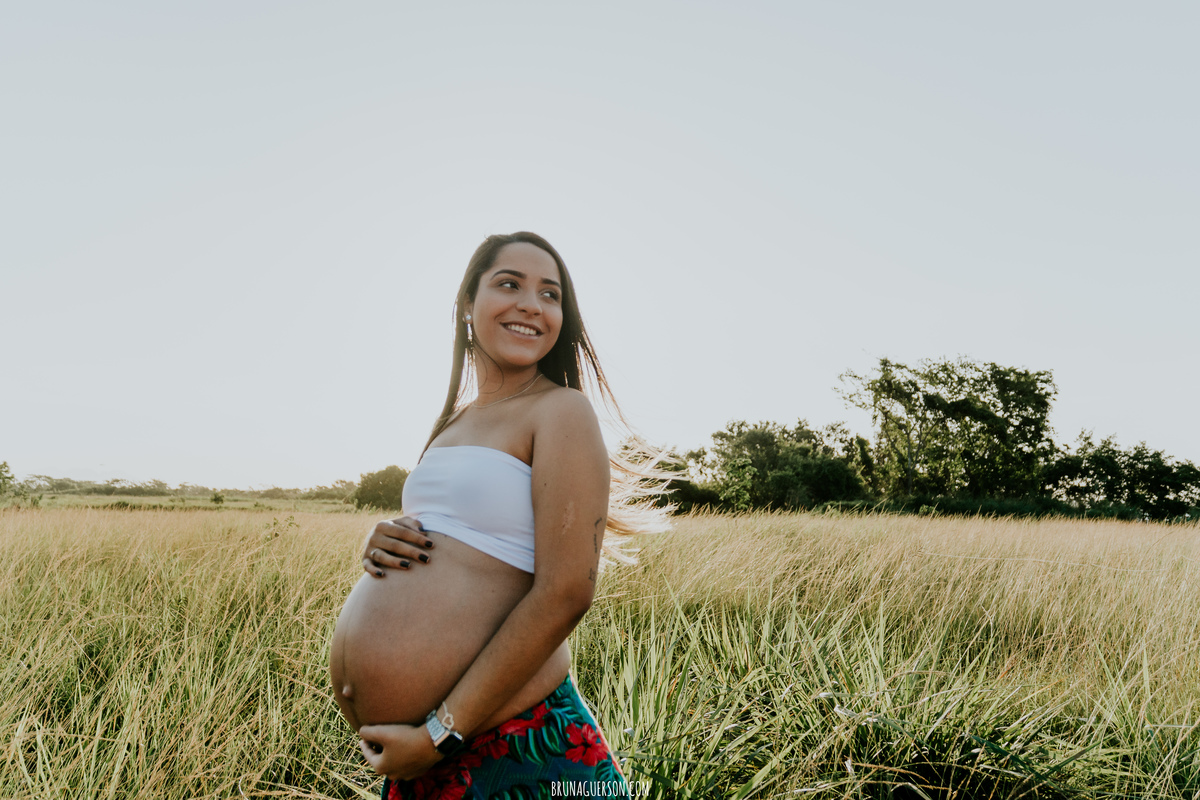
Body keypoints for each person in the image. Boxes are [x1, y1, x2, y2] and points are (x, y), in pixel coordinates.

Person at [328, 232, 669, 798]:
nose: (532, 304)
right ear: (467, 302)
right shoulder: (454, 423)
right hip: (426, 755)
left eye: (550, 294)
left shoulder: (561, 410)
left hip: (513, 742)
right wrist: (380, 538)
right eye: (509, 284)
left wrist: (440, 733)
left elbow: (566, 593)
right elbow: (463, 538)